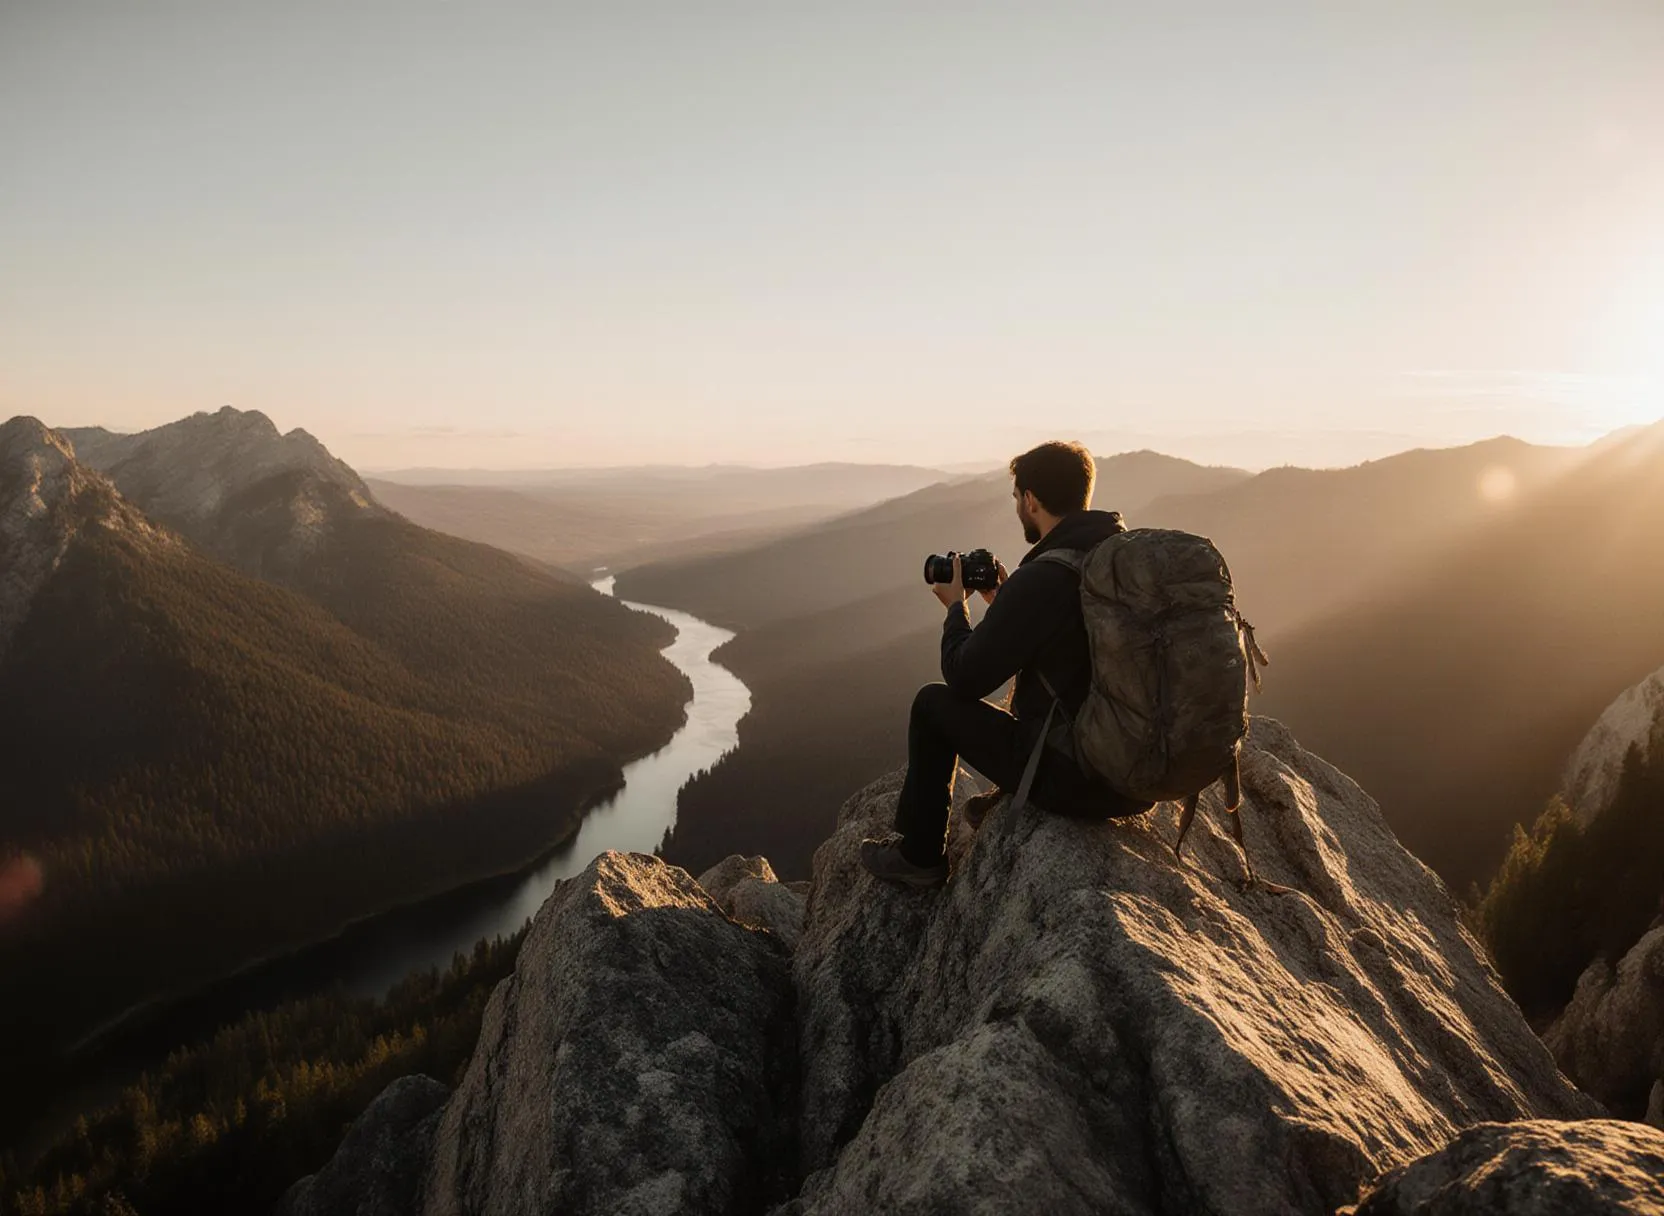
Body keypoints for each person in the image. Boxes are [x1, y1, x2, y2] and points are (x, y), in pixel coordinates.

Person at [860, 440, 1152, 887]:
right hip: (1136, 778)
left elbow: (964, 677)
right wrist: (1005, 603)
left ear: (1031, 500)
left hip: (1079, 779)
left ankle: (919, 858)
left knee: (931, 705)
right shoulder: (1114, 557)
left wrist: (957, 607)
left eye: (1017, 498)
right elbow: (1070, 650)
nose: (1017, 506)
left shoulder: (1046, 576)